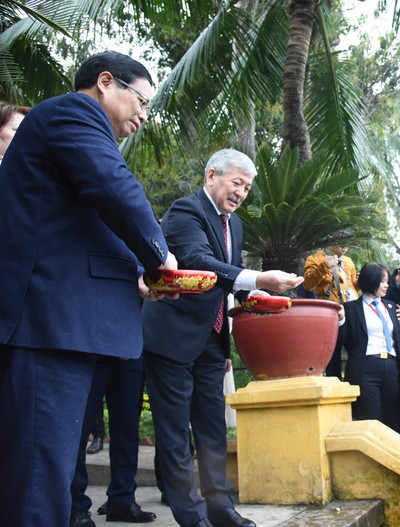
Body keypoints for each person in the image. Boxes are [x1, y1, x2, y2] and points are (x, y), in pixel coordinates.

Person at [0, 51, 178, 527]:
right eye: (141, 99)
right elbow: (114, 189)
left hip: (63, 326)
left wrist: (137, 272)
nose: (144, 113)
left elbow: (86, 225)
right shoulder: (70, 113)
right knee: (41, 478)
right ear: (105, 82)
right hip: (49, 325)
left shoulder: (73, 136)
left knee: (47, 474)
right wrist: (160, 259)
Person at [141, 148, 303, 527]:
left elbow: (234, 280)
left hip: (212, 342)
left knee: (214, 429)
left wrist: (260, 297)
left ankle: (222, 508)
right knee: (176, 432)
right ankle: (191, 514)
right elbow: (201, 263)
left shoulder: (236, 225)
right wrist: (258, 278)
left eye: (247, 188)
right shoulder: (186, 211)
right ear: (212, 175)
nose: (241, 193)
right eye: (236, 183)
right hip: (171, 338)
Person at [70, 357, 156, 526]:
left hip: (131, 351)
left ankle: (122, 500)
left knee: (128, 429)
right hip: (94, 350)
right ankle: (75, 506)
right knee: (79, 429)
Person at [340, 263, 400, 431]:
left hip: (392, 366)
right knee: (371, 419)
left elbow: (397, 339)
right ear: (371, 280)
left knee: (393, 419)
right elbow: (343, 341)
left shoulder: (391, 306)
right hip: (366, 367)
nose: (387, 285)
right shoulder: (351, 308)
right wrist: (341, 321)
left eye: (387, 281)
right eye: (383, 281)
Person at [303, 243, 358, 378]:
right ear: (332, 240)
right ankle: (335, 385)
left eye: (347, 245)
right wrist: (324, 266)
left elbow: (353, 285)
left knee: (356, 350)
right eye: (342, 244)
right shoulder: (314, 259)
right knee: (333, 353)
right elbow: (307, 285)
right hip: (331, 315)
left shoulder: (348, 261)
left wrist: (365, 280)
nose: (345, 248)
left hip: (351, 311)